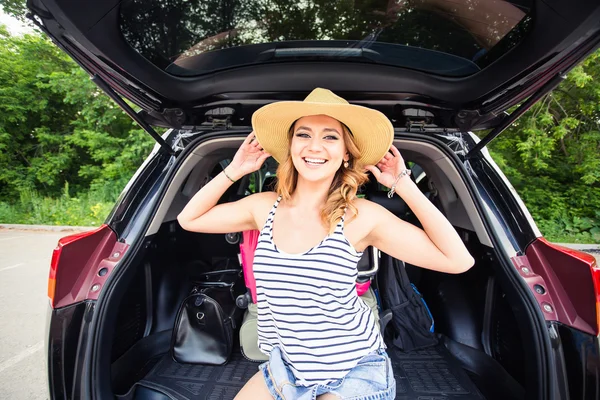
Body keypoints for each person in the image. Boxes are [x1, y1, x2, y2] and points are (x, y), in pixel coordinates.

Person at [177, 88, 474, 400]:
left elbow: (458, 261)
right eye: (303, 134)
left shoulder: (362, 216)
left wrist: (403, 184)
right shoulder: (264, 207)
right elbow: (190, 219)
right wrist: (234, 170)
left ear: (346, 152)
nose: (314, 146)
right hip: (287, 367)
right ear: (291, 146)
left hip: (352, 370)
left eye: (330, 137)